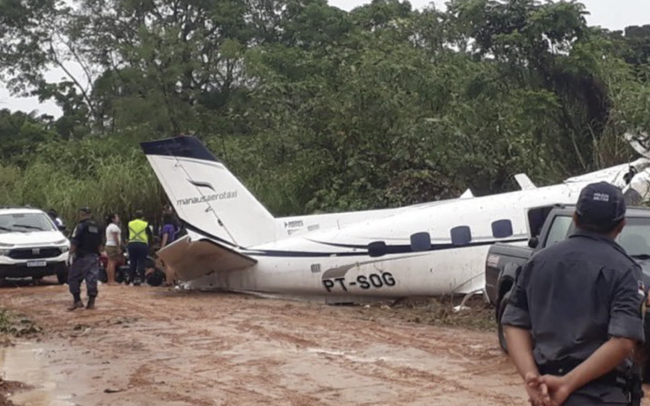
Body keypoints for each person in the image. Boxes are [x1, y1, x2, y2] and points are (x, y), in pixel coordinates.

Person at [502, 181, 646, 406]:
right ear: (621, 225)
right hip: (601, 396)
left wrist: (532, 379)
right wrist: (567, 383)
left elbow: (513, 323)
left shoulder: (537, 262)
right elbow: (623, 341)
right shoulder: (625, 270)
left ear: (575, 218)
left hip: (546, 396)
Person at [67, 207, 103, 310]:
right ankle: (91, 303)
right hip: (94, 257)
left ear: (81, 214)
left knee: (73, 277)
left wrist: (70, 255)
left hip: (82, 257)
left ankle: (77, 301)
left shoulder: (80, 227)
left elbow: (75, 242)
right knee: (92, 279)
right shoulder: (98, 227)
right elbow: (100, 245)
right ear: (90, 214)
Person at [127, 210, 153, 286]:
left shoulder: (130, 224)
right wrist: (150, 245)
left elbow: (127, 234)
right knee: (141, 262)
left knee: (132, 262)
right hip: (142, 244)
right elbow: (149, 235)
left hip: (132, 244)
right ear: (143, 217)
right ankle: (142, 280)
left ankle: (131, 280)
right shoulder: (145, 224)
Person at [158, 213, 177, 287]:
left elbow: (165, 237)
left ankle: (168, 281)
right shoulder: (173, 227)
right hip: (173, 245)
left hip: (167, 245)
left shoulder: (166, 227)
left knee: (167, 264)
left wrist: (162, 248)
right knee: (172, 264)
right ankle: (173, 280)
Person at [104, 213, 123, 285]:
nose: (118, 218)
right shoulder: (114, 227)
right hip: (113, 246)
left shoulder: (109, 227)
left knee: (109, 263)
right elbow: (115, 237)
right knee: (112, 263)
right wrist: (118, 247)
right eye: (117, 217)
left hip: (108, 245)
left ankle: (109, 280)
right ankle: (111, 280)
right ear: (113, 219)